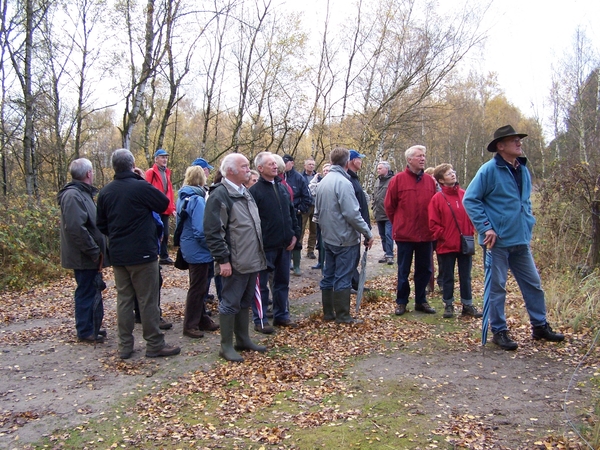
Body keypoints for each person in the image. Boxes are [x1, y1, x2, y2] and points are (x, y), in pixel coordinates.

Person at [463, 125, 564, 350]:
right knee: (497, 287)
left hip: (520, 239)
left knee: (534, 285)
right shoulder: (488, 170)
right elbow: (470, 199)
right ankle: (499, 330)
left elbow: (523, 201)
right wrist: (485, 227)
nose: (519, 143)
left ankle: (539, 326)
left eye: (519, 140)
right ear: (501, 146)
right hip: (497, 242)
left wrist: (528, 220)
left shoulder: (522, 169)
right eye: (514, 140)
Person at [97, 149, 180, 359]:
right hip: (143, 253)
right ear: (132, 164)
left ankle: (125, 346)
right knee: (147, 299)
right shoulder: (140, 186)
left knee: (124, 300)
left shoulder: (106, 192)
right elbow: (164, 204)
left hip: (118, 254)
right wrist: (141, 179)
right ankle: (154, 344)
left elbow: (101, 225)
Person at [204, 153, 268, 362]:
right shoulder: (219, 195)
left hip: (251, 259)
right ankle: (226, 346)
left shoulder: (245, 192)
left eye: (248, 166)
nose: (248, 170)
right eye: (244, 167)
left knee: (245, 301)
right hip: (235, 262)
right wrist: (223, 260)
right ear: (230, 170)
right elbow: (214, 232)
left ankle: (243, 339)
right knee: (230, 303)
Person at [315, 147, 374, 324]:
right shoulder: (343, 182)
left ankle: (328, 313)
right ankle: (343, 315)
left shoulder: (323, 181)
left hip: (329, 237)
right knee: (343, 277)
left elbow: (317, 214)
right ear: (347, 162)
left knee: (329, 275)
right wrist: (368, 233)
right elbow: (352, 214)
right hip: (344, 238)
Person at [249, 152, 301, 333]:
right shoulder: (254, 192)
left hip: (285, 245)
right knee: (261, 285)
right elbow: (251, 221)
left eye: (275, 164)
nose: (275, 166)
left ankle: (281, 316)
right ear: (260, 168)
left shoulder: (282, 188)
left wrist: (295, 235)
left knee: (282, 283)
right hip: (265, 247)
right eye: (270, 164)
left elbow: (291, 213)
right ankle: (260, 320)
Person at [57, 158, 107, 343]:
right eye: (92, 171)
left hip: (89, 255)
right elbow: (76, 228)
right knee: (86, 290)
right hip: (84, 255)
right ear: (88, 173)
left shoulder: (82, 193)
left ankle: (92, 327)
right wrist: (94, 251)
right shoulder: (73, 196)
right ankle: (85, 330)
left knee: (92, 289)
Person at [384, 145, 437, 316]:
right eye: (419, 156)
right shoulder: (397, 180)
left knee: (425, 270)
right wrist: (400, 223)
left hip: (425, 234)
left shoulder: (430, 181)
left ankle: (421, 301)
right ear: (409, 159)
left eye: (424, 156)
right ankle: (401, 302)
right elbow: (389, 206)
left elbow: (435, 207)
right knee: (403, 271)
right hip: (405, 235)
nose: (423, 159)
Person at [428, 163, 482, 319]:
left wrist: (470, 231)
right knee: (448, 276)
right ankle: (449, 304)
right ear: (441, 180)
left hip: (465, 243)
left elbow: (473, 215)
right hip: (446, 245)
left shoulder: (465, 195)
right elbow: (432, 223)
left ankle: (468, 305)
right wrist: (442, 235)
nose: (452, 175)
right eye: (448, 173)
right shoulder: (437, 199)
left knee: (466, 276)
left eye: (453, 172)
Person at [177, 165, 219, 339]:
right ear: (201, 179)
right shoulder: (198, 199)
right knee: (198, 287)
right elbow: (201, 230)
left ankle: (202, 318)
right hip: (198, 250)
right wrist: (211, 247)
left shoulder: (183, 196)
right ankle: (190, 324)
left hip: (188, 247)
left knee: (199, 285)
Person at [145, 149, 176, 265]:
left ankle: (164, 256)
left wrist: (172, 208)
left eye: (166, 157)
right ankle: (154, 257)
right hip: (154, 208)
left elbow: (170, 192)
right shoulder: (151, 172)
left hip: (165, 207)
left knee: (166, 233)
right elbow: (146, 189)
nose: (165, 160)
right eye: (162, 157)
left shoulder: (167, 172)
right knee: (155, 232)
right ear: (156, 159)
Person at [283, 154, 312, 276]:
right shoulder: (278, 177)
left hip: (296, 214)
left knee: (297, 238)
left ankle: (296, 266)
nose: (284, 165)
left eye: (286, 162)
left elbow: (307, 197)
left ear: (292, 163)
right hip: (283, 215)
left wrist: (300, 210)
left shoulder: (299, 178)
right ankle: (285, 264)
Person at [346, 150, 371, 292]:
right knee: (351, 256)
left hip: (358, 224)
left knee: (355, 255)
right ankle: (348, 284)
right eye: (359, 159)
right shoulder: (348, 178)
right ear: (353, 161)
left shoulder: (354, 177)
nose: (361, 161)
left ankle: (355, 282)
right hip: (352, 225)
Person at [309, 163, 331, 270]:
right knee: (320, 240)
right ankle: (321, 262)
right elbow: (312, 190)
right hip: (320, 217)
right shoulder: (321, 183)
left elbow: (312, 188)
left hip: (330, 219)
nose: (326, 172)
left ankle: (327, 264)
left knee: (328, 241)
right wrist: (315, 179)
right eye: (325, 170)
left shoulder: (332, 183)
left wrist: (314, 180)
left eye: (328, 170)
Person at [372, 161, 394, 265]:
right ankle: (386, 253)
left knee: (388, 234)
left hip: (389, 214)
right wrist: (373, 206)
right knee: (382, 235)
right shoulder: (377, 181)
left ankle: (390, 255)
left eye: (380, 168)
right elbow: (374, 195)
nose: (378, 170)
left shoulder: (393, 180)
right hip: (379, 213)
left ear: (386, 169)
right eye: (378, 168)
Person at [301, 158, 318, 259]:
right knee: (301, 229)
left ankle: (310, 250)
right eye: (309, 164)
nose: (311, 166)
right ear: (305, 166)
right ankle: (297, 249)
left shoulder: (318, 177)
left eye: (313, 164)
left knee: (314, 229)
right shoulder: (301, 177)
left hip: (315, 206)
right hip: (305, 206)